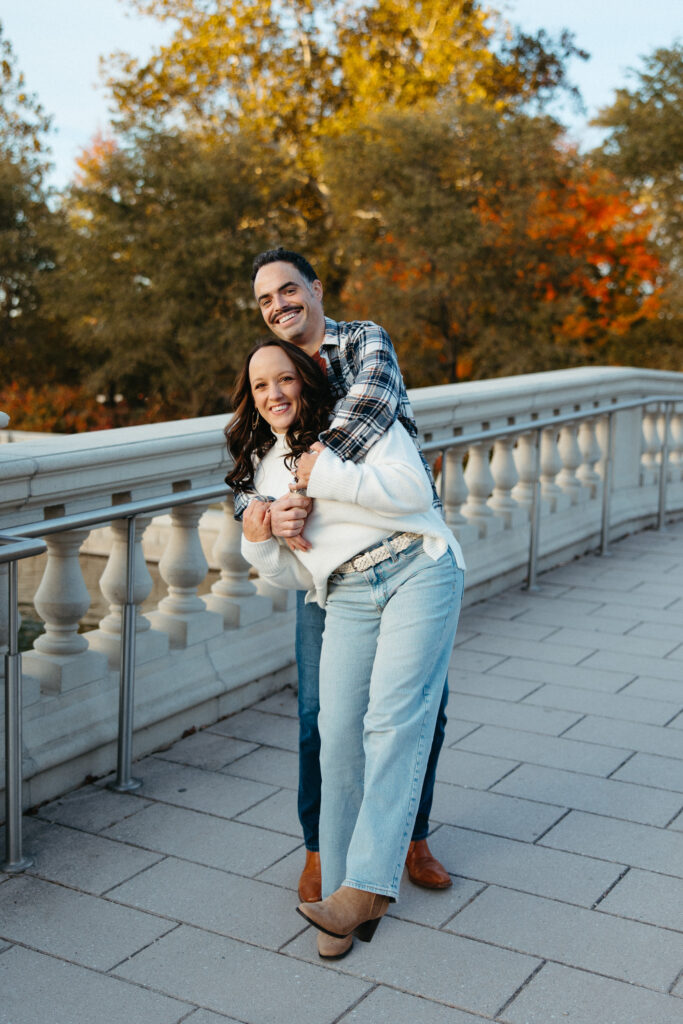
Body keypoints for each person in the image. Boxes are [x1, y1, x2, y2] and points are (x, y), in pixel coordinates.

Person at [226, 338, 465, 959]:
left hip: (417, 565)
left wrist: (325, 473)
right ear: (251, 399)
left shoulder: (356, 425)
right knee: (335, 737)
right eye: (260, 386)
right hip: (348, 592)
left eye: (284, 379)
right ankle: (337, 897)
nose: (274, 394)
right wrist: (263, 539)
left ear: (305, 380)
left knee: (392, 719)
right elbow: (297, 573)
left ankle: (365, 890)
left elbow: (414, 490)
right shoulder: (264, 471)